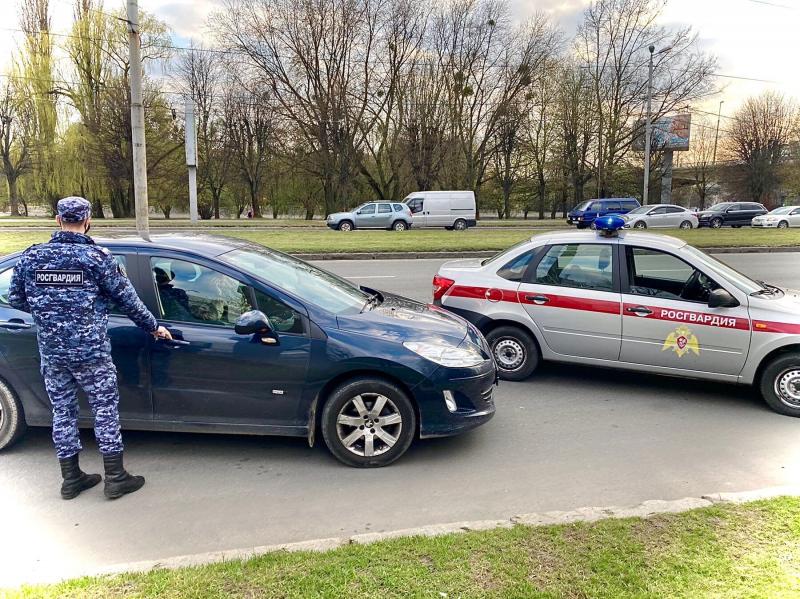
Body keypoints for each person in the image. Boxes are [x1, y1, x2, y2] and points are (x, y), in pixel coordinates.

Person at [7, 197, 172, 500]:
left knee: (62, 412)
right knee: (104, 410)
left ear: (57, 220)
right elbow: (129, 301)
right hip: (91, 354)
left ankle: (71, 479)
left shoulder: (32, 258)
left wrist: (49, 310)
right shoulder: (97, 258)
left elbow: (16, 299)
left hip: (53, 354)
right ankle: (115, 477)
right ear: (87, 221)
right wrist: (153, 327)